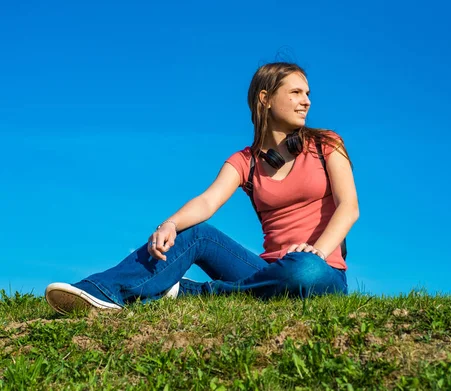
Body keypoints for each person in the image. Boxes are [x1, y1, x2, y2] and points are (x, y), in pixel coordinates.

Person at [45, 62, 359, 314]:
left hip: (321, 270)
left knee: (304, 271)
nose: (306, 101)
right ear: (265, 99)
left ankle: (194, 292)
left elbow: (349, 207)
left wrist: (317, 252)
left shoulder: (325, 143)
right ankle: (100, 292)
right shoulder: (245, 161)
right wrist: (169, 224)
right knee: (197, 232)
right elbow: (207, 201)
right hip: (264, 270)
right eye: (296, 92)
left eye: (308, 93)